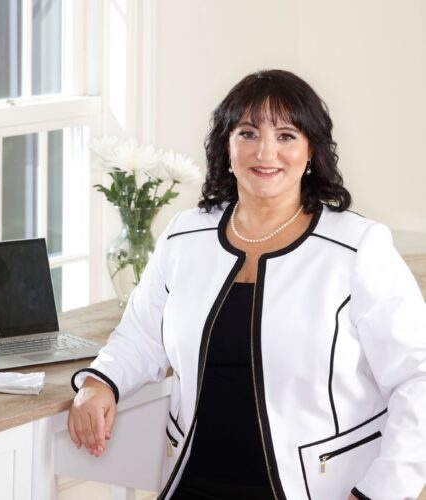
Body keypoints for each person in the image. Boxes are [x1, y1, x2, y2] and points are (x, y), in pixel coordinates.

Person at [67, 69, 426, 500]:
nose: (265, 151)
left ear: (311, 150)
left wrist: (379, 493)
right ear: (227, 146)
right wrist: (99, 382)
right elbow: (141, 336)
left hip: (319, 489)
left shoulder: (357, 248)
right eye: (248, 133)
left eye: (286, 135)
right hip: (191, 482)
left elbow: (417, 377)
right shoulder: (185, 235)